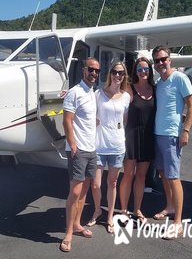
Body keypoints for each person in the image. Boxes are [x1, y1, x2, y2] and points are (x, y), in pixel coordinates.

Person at [151, 45, 192, 240]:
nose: (160, 63)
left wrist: (185, 130)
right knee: (162, 174)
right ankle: (169, 206)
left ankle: (177, 222)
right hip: (158, 134)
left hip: (171, 136)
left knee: (173, 177)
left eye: (163, 59)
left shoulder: (180, 78)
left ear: (170, 59)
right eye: (157, 60)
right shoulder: (160, 83)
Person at [60, 57, 100, 252]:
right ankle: (68, 233)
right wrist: (72, 143)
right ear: (84, 70)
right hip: (79, 149)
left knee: (84, 191)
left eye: (97, 71)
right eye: (91, 69)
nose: (94, 73)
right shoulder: (74, 93)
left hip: (91, 149)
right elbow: (67, 121)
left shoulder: (92, 93)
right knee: (74, 192)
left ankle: (77, 225)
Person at [93, 61, 130, 234]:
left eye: (121, 73)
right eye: (115, 72)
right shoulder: (98, 94)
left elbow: (125, 121)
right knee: (95, 184)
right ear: (110, 74)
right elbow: (88, 114)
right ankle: (97, 210)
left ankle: (109, 217)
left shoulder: (125, 97)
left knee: (112, 183)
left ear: (124, 76)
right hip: (99, 145)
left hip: (117, 147)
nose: (117, 75)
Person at [119, 57, 156, 224]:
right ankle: (124, 210)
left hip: (148, 138)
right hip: (132, 137)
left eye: (146, 69)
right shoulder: (129, 89)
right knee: (128, 175)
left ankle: (137, 209)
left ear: (150, 71)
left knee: (141, 176)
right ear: (135, 71)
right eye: (140, 69)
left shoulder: (155, 90)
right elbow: (119, 110)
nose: (143, 72)